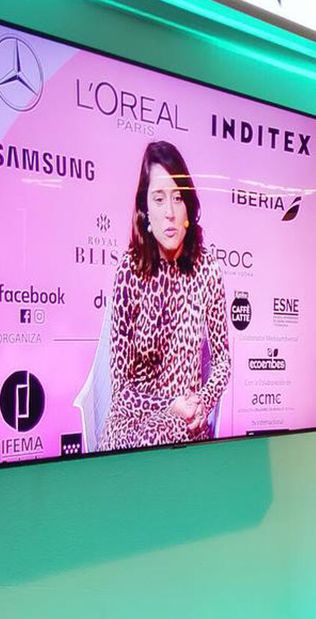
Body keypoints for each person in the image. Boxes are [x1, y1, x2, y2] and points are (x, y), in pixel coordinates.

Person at [99, 141, 230, 452]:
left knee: (162, 438)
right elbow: (121, 389)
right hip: (133, 416)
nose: (169, 213)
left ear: (188, 207)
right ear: (145, 210)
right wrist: (168, 404)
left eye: (177, 198)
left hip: (185, 421)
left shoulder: (207, 269)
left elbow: (223, 361)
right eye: (159, 199)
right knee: (133, 444)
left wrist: (203, 401)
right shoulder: (129, 270)